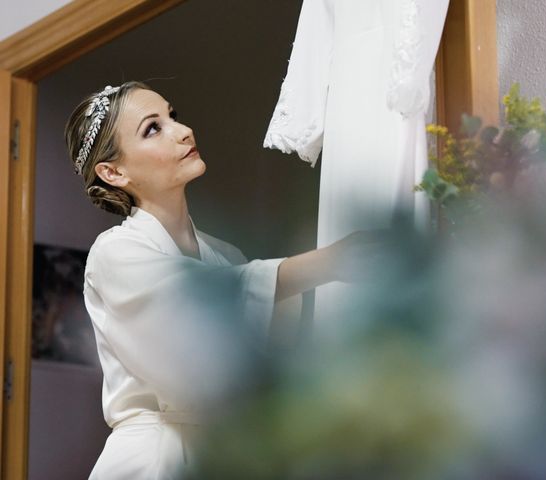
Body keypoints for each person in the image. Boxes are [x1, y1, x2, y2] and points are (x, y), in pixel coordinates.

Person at [65, 81, 380, 479]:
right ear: (114, 172)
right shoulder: (114, 254)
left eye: (173, 117)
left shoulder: (226, 256)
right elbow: (188, 323)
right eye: (153, 128)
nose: (183, 131)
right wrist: (326, 263)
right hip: (155, 460)